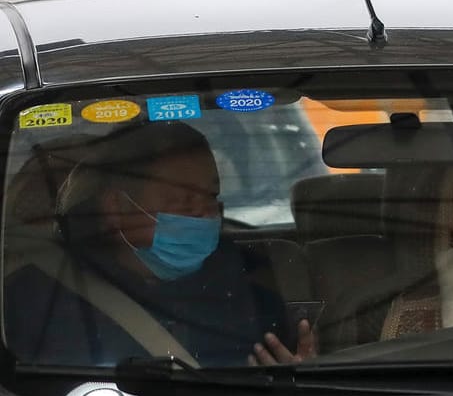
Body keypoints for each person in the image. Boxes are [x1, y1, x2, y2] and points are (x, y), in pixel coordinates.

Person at [3, 121, 314, 367]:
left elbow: (283, 376)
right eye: (181, 199)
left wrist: (296, 375)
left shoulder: (250, 283)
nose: (203, 214)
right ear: (117, 209)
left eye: (211, 196)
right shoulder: (35, 300)